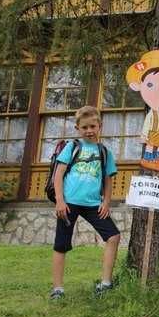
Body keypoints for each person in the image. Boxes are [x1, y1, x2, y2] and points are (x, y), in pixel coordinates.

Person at [49, 106, 121, 300]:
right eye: (84, 127)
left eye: (93, 126)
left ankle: (105, 282)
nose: (89, 130)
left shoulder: (105, 152)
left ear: (100, 126)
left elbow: (107, 180)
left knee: (113, 236)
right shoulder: (71, 147)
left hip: (93, 205)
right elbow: (58, 175)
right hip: (69, 203)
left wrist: (106, 202)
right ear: (77, 128)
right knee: (61, 244)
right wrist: (60, 201)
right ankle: (58, 289)